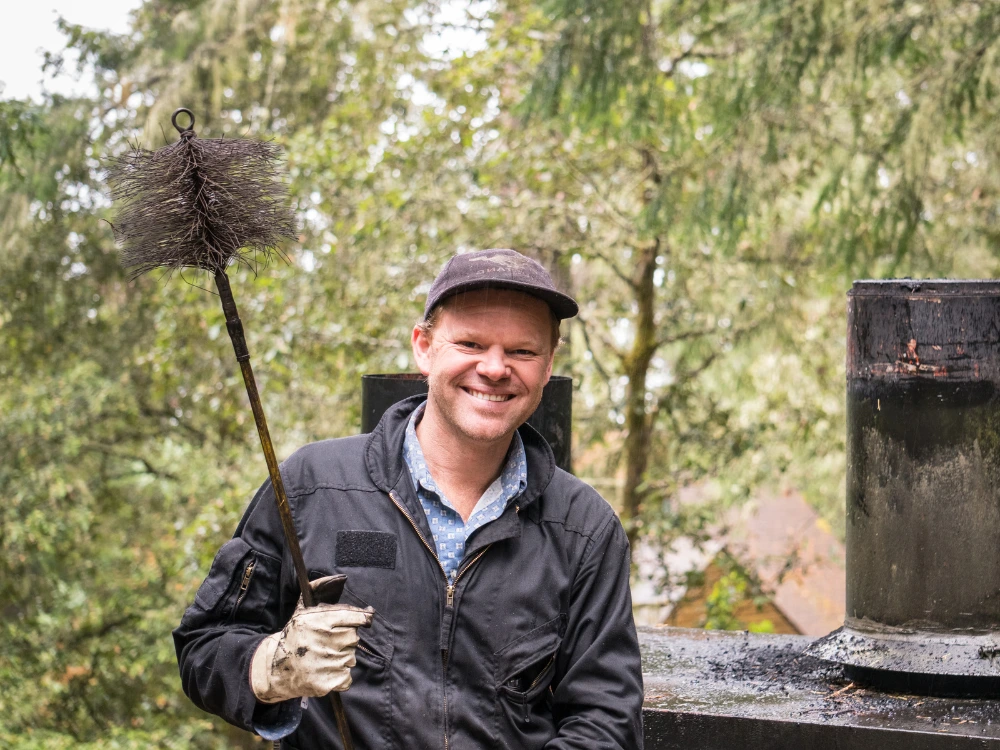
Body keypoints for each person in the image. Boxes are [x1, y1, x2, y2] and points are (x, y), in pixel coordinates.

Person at [173, 248, 644, 748]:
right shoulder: (312, 487)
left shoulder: (584, 530)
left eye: (523, 352)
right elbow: (204, 648)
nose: (494, 367)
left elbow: (606, 719)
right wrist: (268, 669)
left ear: (548, 365)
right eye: (469, 342)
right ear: (424, 347)